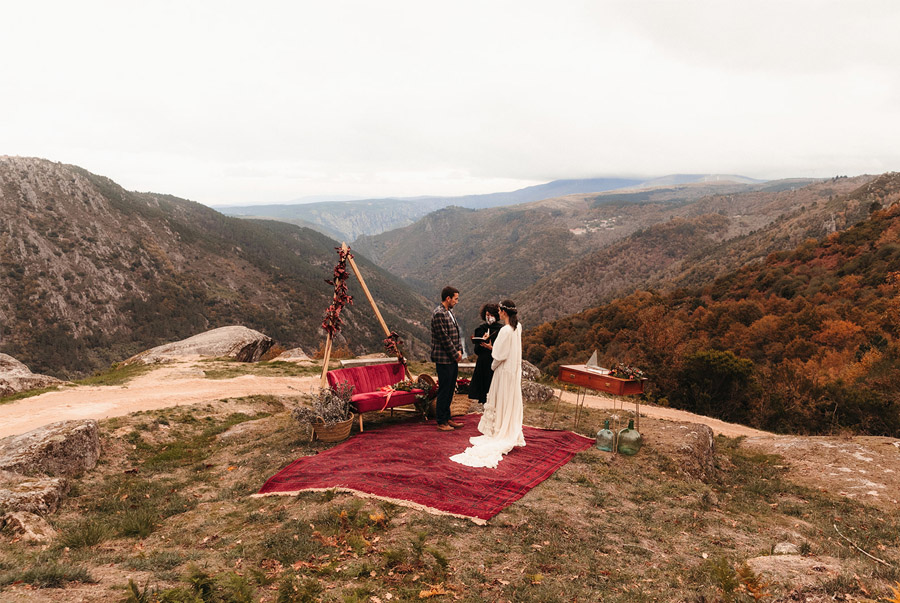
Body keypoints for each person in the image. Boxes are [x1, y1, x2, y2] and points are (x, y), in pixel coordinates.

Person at [450, 299, 524, 468]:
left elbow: (499, 354)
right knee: (509, 401)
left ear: (503, 312)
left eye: (498, 311)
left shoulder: (505, 330)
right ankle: (506, 426)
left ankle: (499, 428)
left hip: (503, 371)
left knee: (500, 399)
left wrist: (493, 354)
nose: (497, 314)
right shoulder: (517, 327)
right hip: (514, 370)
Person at [430, 286, 463, 431]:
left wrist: (460, 350)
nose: (457, 301)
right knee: (444, 390)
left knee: (450, 389)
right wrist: (455, 355)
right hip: (444, 359)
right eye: (455, 298)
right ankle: (441, 421)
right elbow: (444, 338)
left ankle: (448, 418)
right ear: (448, 298)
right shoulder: (439, 314)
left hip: (452, 358)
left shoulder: (449, 312)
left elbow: (456, 333)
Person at [468, 303, 501, 405]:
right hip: (483, 362)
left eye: (491, 314)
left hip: (495, 362)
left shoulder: (502, 329)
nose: (489, 317)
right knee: (483, 392)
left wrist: (491, 346)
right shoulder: (481, 329)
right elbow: (476, 351)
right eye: (487, 314)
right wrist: (480, 342)